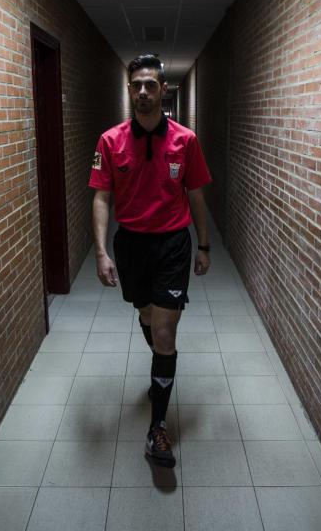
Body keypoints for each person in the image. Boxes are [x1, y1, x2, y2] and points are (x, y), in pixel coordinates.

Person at [89, 54, 212, 468]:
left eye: (150, 85)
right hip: (132, 247)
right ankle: (159, 361)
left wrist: (204, 244)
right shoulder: (109, 141)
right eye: (136, 84)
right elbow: (102, 196)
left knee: (164, 332)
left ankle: (158, 426)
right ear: (129, 90)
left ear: (162, 89)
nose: (143, 91)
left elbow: (195, 193)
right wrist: (103, 251)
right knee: (146, 317)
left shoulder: (185, 141)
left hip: (173, 244)